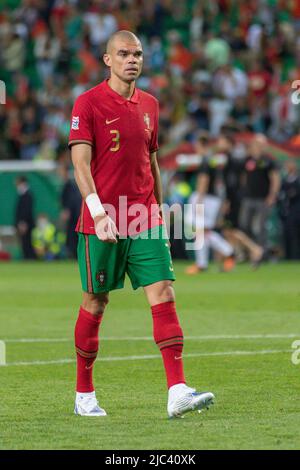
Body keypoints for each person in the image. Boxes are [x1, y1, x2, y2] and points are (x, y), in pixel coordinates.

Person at [68, 30, 214, 418]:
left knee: (163, 292)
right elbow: (80, 164)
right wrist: (99, 213)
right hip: (102, 217)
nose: (132, 59)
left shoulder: (151, 104)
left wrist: (161, 213)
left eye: (138, 54)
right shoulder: (88, 103)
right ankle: (84, 394)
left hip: (143, 216)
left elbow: (151, 163)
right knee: (96, 302)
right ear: (107, 60)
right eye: (123, 53)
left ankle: (177, 390)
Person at [239, 134, 281, 251]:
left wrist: (272, 196)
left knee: (261, 227)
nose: (256, 146)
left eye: (259, 144)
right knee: (245, 225)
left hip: (263, 198)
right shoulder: (248, 160)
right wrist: (244, 190)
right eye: (255, 143)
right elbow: (244, 177)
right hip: (248, 198)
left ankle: (262, 252)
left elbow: (275, 179)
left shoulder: (269, 161)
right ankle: (248, 251)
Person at [58, 163, 81, 259]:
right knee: (70, 235)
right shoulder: (67, 184)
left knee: (73, 235)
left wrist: (67, 210)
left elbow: (72, 199)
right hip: (73, 215)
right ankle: (73, 254)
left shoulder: (70, 185)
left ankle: (75, 255)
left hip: (74, 216)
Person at [15, 176, 36, 260]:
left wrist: (23, 222)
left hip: (26, 224)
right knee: (24, 243)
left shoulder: (28, 196)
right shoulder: (22, 195)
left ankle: (30, 258)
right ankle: (27, 258)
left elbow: (26, 211)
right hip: (23, 223)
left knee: (27, 243)